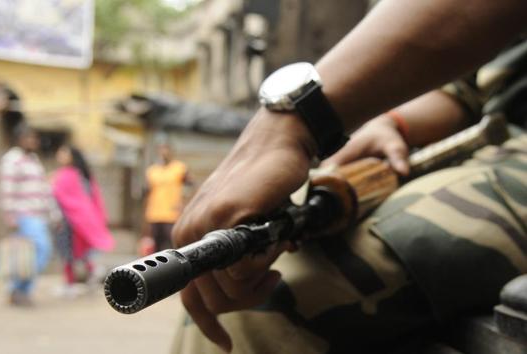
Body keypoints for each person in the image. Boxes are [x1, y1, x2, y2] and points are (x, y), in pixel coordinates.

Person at [169, 0, 527, 353]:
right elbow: (473, 90)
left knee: (273, 307)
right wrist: (394, 125)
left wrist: (293, 122)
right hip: (489, 142)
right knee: (231, 280)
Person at [0, 125, 59, 307]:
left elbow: (44, 190)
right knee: (43, 250)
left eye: (34, 138)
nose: (33, 141)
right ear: (18, 139)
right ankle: (17, 288)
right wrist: (10, 216)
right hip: (24, 215)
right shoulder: (12, 160)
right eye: (28, 138)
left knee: (28, 257)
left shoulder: (33, 160)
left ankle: (19, 290)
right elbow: (7, 189)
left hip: (39, 215)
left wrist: (54, 215)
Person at [51, 144, 115, 294]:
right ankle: (87, 275)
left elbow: (64, 196)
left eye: (63, 152)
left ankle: (71, 283)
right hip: (78, 219)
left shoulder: (68, 175)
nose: (59, 155)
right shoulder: (79, 174)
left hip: (69, 220)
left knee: (68, 252)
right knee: (77, 251)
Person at [143, 144, 191, 251]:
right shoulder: (152, 171)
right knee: (156, 246)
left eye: (166, 150)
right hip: (154, 214)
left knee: (172, 244)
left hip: (172, 214)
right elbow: (147, 193)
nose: (164, 153)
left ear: (171, 152)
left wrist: (184, 203)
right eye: (161, 150)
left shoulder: (179, 168)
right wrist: (145, 217)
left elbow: (190, 186)